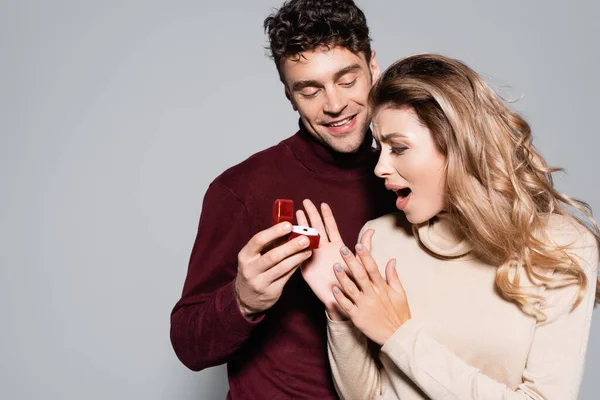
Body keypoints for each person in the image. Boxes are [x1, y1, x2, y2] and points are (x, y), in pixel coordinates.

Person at [301, 54, 600, 399]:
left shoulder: (561, 248)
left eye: (397, 147)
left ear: (457, 145)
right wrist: (339, 310)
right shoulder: (379, 239)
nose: (380, 167)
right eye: (379, 147)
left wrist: (400, 337)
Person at [169, 1, 396, 398]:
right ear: (289, 96)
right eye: (310, 90)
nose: (334, 104)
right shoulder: (241, 189)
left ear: (373, 68)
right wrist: (243, 300)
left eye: (347, 80)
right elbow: (188, 343)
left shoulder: (409, 184)